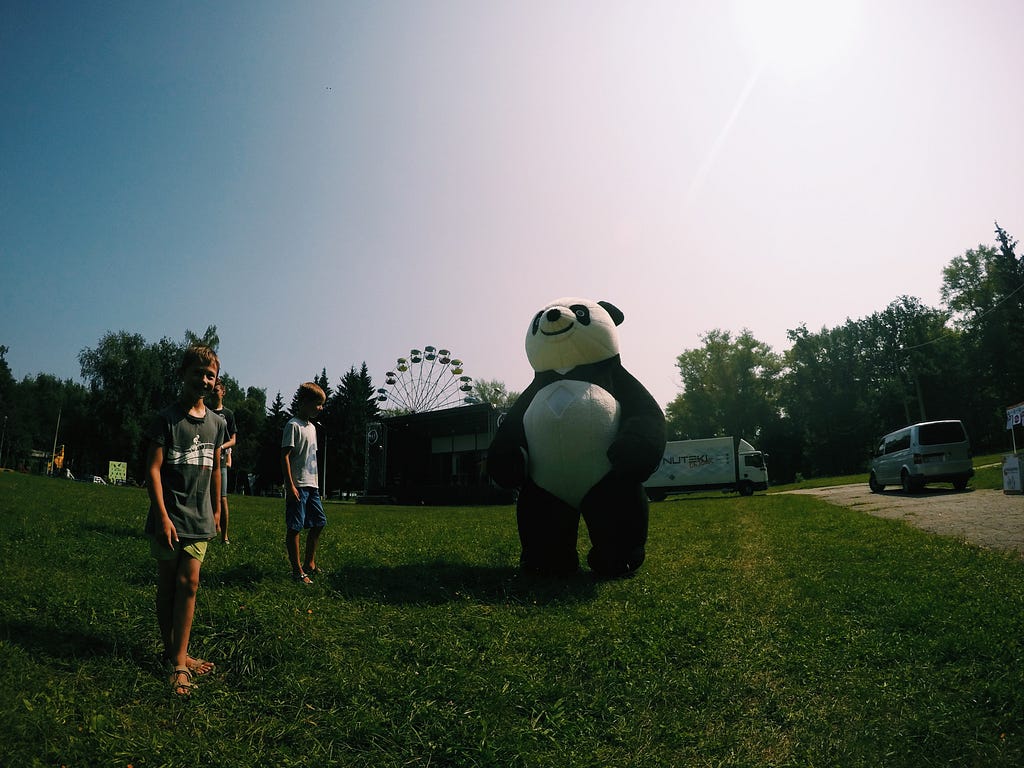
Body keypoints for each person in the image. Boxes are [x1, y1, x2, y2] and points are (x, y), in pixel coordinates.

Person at [144, 344, 228, 697]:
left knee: (189, 583)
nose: (204, 379)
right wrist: (163, 516)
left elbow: (215, 471)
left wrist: (219, 507)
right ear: (183, 374)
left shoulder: (218, 424)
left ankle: (180, 661)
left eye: (210, 375)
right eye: (198, 372)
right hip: (168, 517)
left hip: (199, 519)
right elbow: (152, 469)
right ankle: (172, 652)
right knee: (168, 586)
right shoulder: (165, 419)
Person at [281, 382, 326, 584]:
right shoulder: (293, 426)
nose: (320, 408)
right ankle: (297, 571)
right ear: (305, 402)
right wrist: (290, 485)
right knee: (295, 527)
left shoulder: (313, 428)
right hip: (297, 485)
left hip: (312, 485)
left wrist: (317, 483)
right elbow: (285, 457)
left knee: (319, 522)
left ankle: (310, 563)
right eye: (318, 403)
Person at [206, 378, 238, 544]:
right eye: (213, 390)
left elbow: (233, 439)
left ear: (223, 392)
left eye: (217, 390)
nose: (214, 392)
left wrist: (220, 447)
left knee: (222, 497)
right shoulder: (206, 411)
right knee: (205, 496)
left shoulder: (228, 414)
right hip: (205, 461)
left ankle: (224, 535)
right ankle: (206, 531)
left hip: (221, 460)